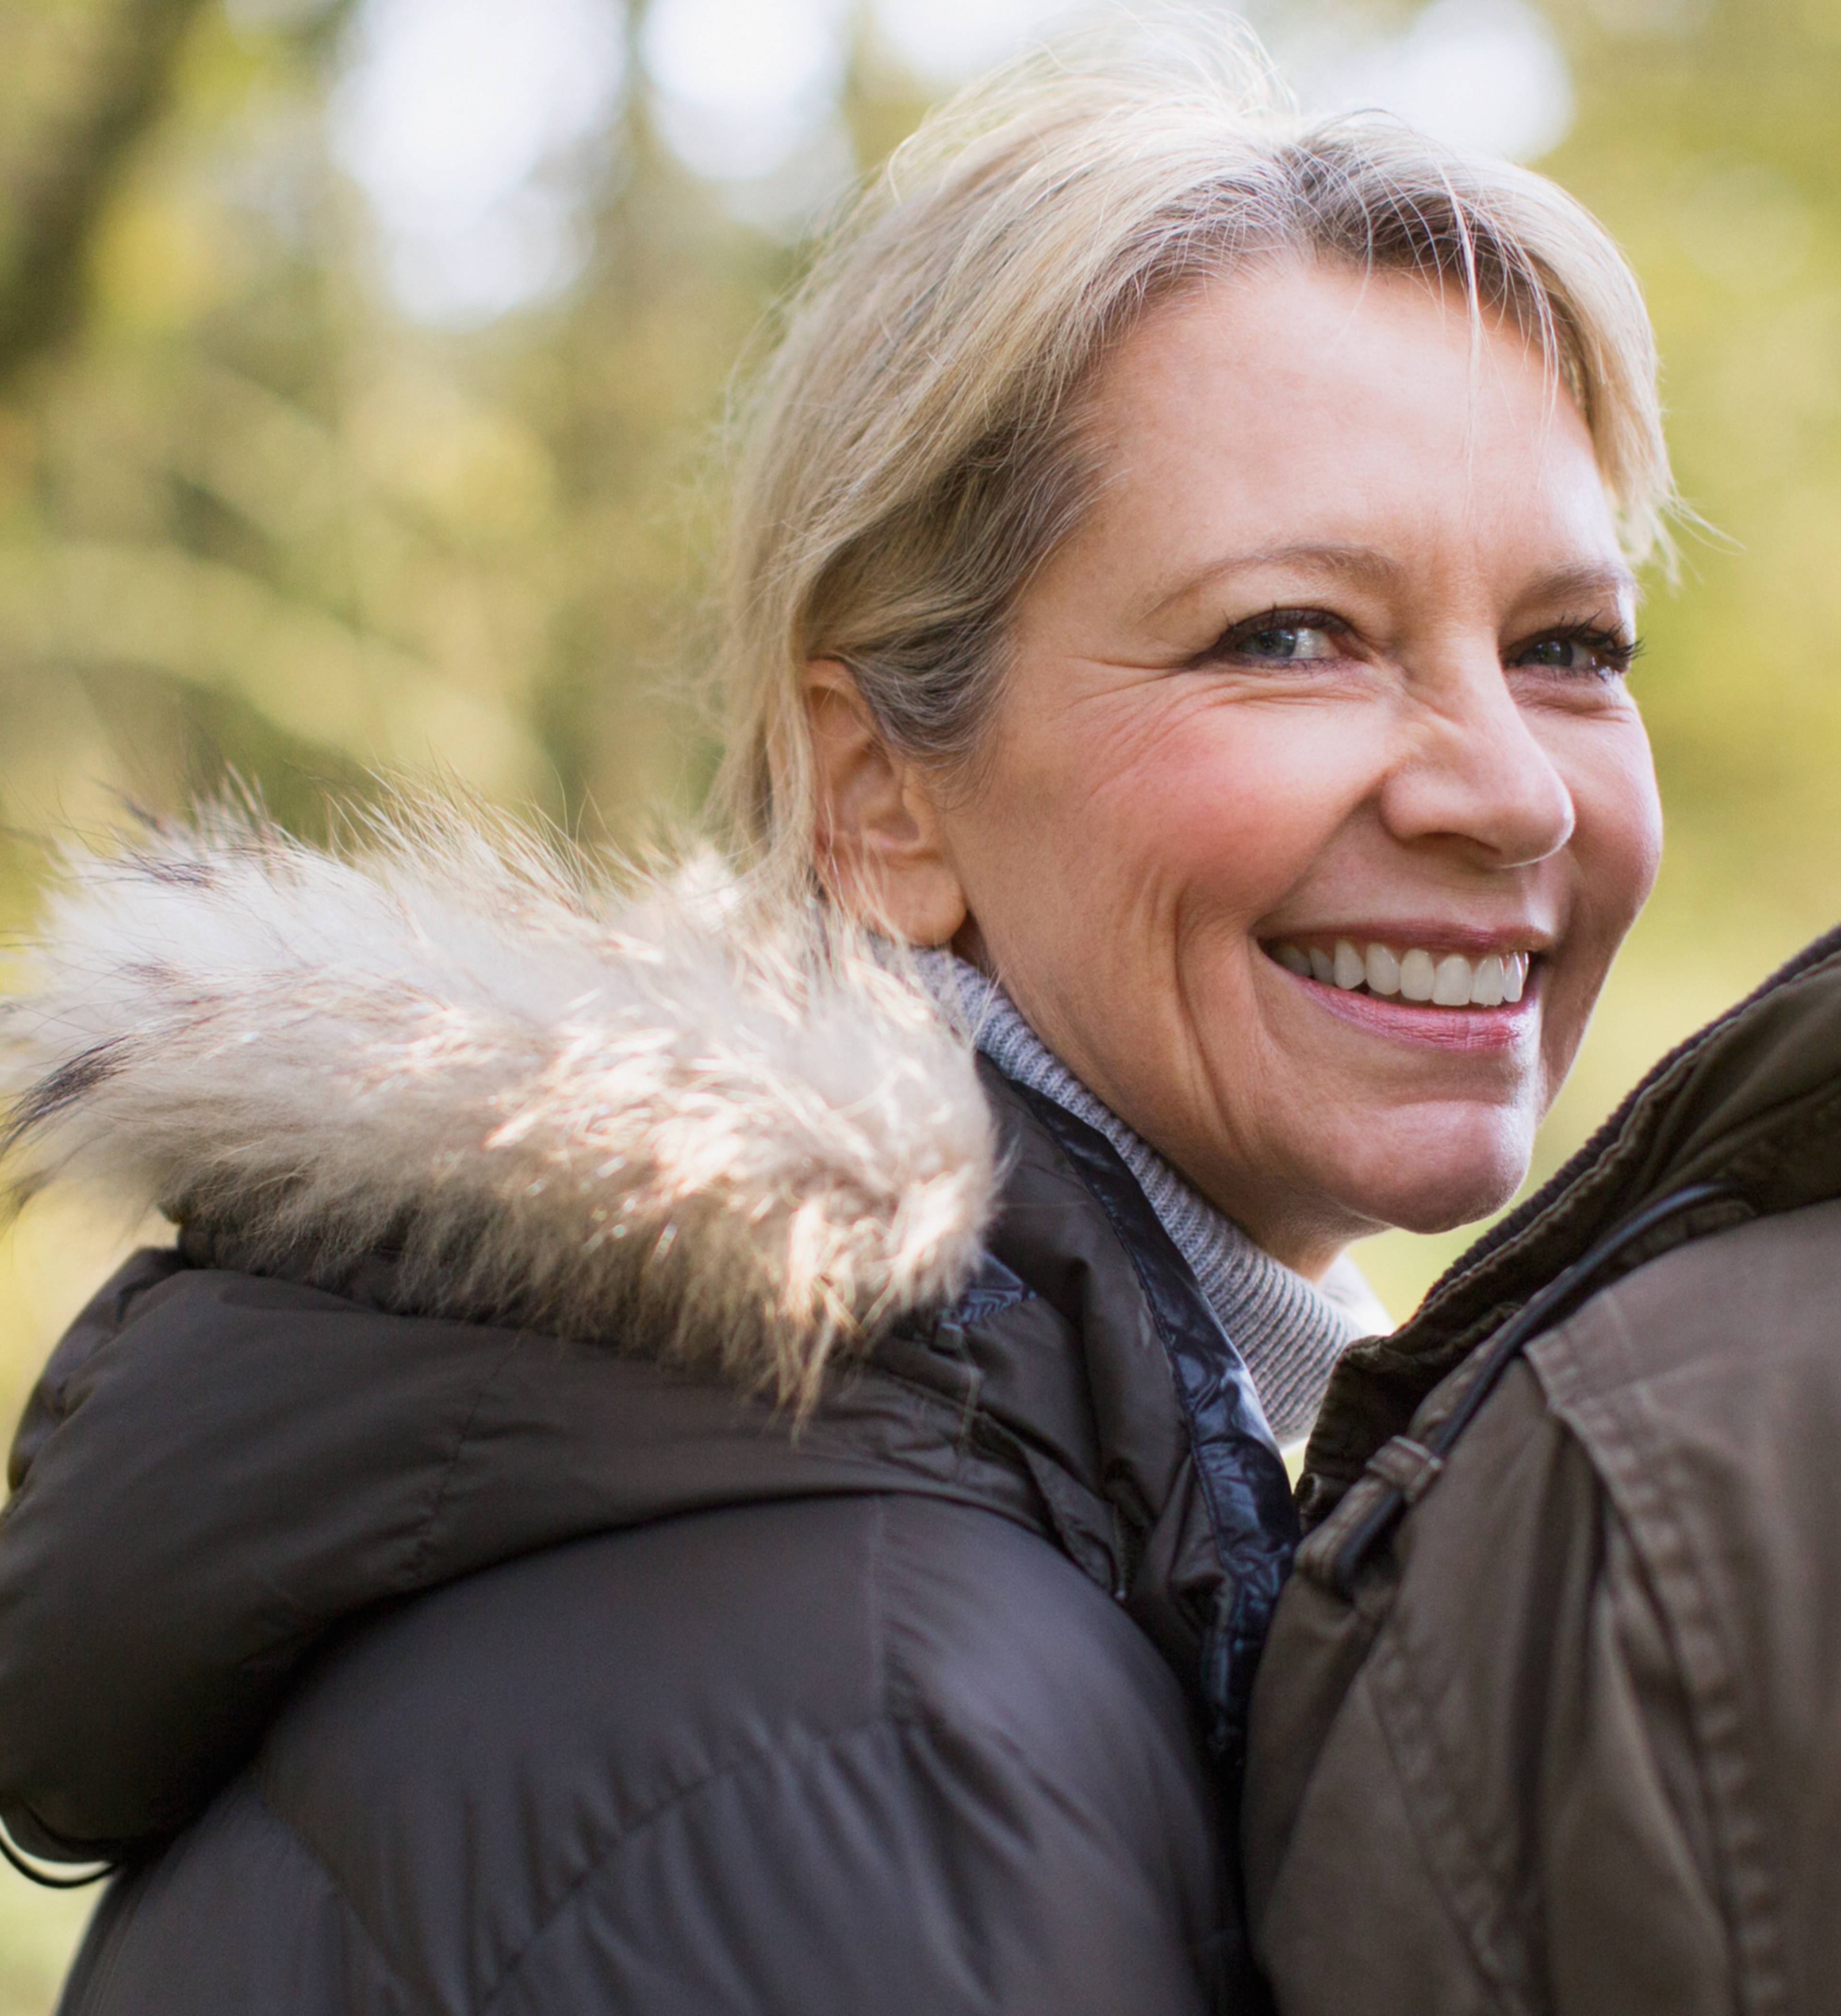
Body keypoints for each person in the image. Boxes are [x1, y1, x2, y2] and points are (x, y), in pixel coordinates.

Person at [0, 23, 1709, 2014]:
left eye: (1569, 645)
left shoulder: (1040, 1517)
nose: (1511, 792)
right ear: (881, 794)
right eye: (1292, 635)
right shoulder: (883, 1731)